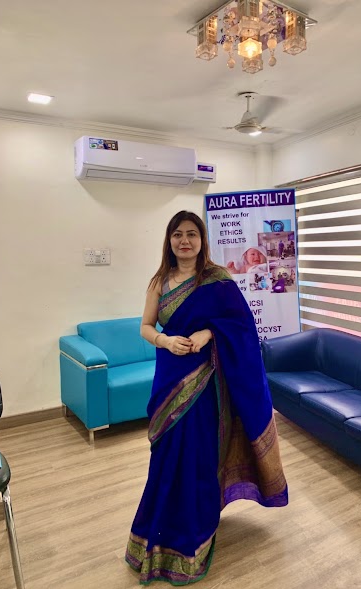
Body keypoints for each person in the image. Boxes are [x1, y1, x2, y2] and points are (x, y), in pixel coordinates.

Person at [125, 211, 288, 585]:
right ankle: (157, 528)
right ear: (169, 241)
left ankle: (196, 531)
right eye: (178, 235)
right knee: (165, 455)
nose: (185, 241)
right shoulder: (159, 281)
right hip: (169, 375)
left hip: (207, 381)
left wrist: (209, 333)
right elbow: (145, 327)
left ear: (202, 240)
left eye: (192, 234)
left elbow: (241, 325)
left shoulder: (217, 280)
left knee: (199, 456)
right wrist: (165, 340)